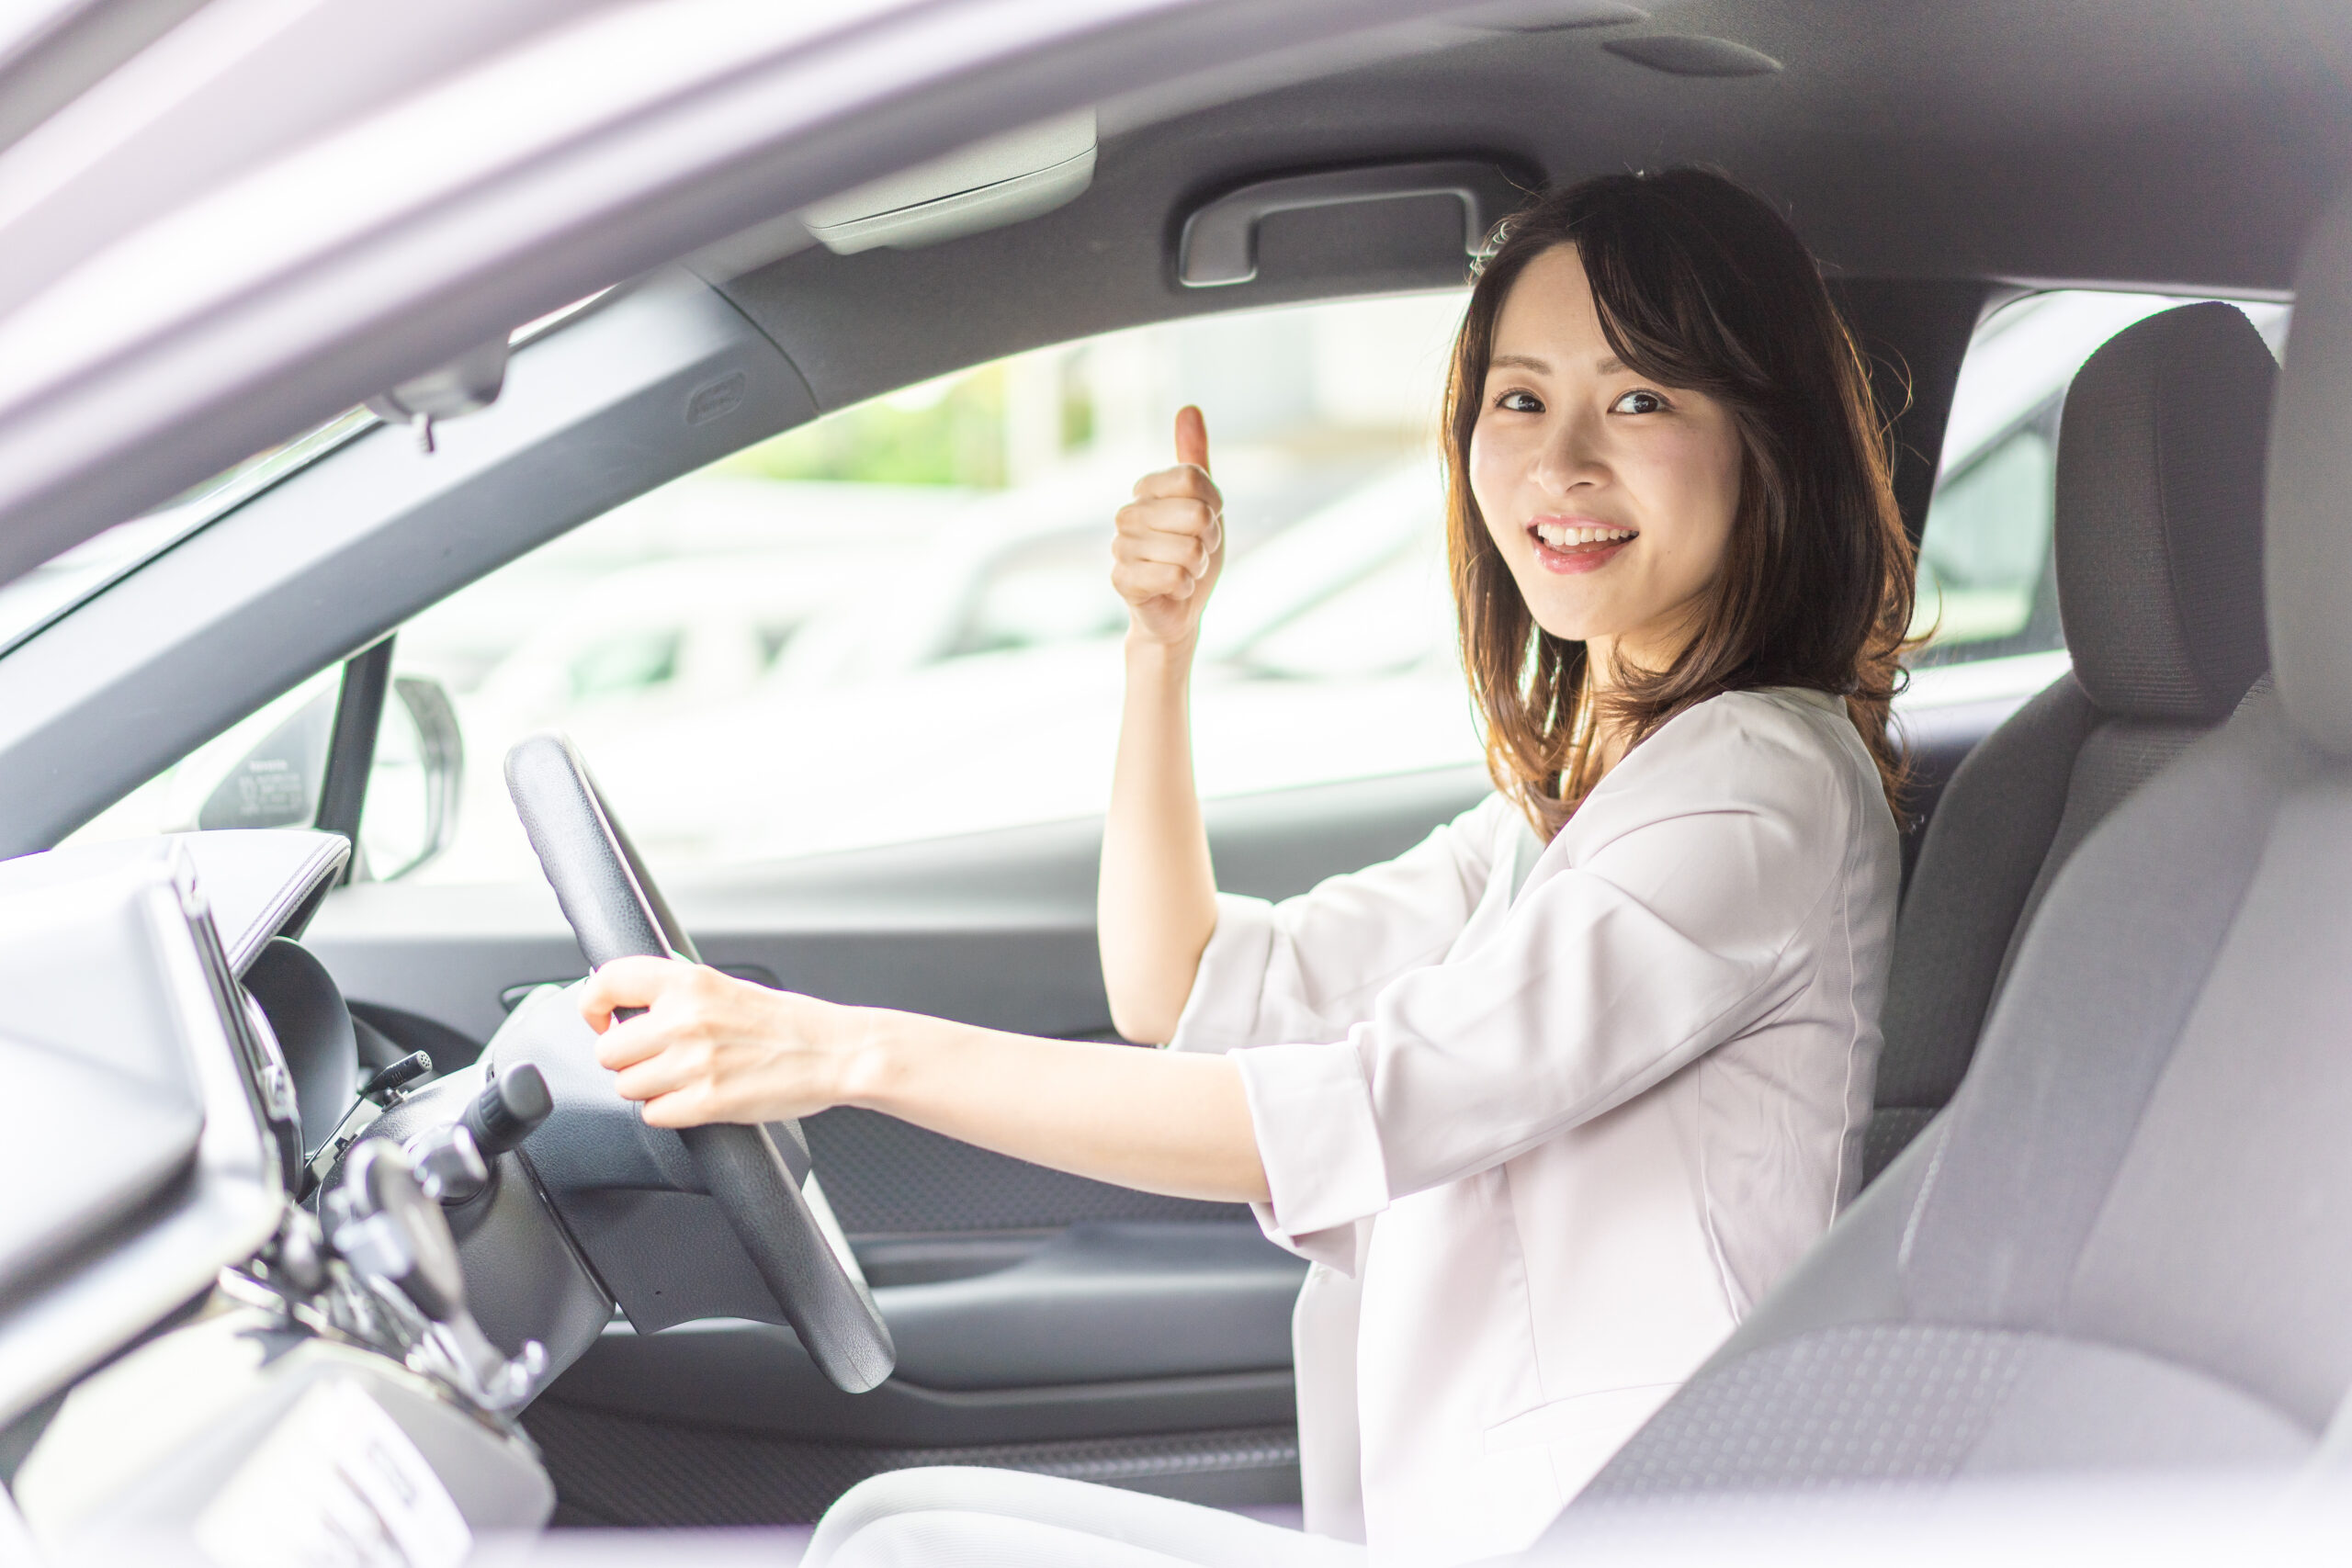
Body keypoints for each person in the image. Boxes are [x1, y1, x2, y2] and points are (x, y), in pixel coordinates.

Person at [579, 166, 1915, 1567]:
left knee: (895, 1547)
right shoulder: (1583, 801)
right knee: (893, 1526)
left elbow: (1343, 1109)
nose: (1562, 461)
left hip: (1622, 1528)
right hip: (1479, 1523)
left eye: (1642, 399)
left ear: (1772, 444)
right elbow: (1190, 987)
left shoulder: (1755, 795)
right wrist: (1162, 648)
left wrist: (840, 1053)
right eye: (1520, 398)